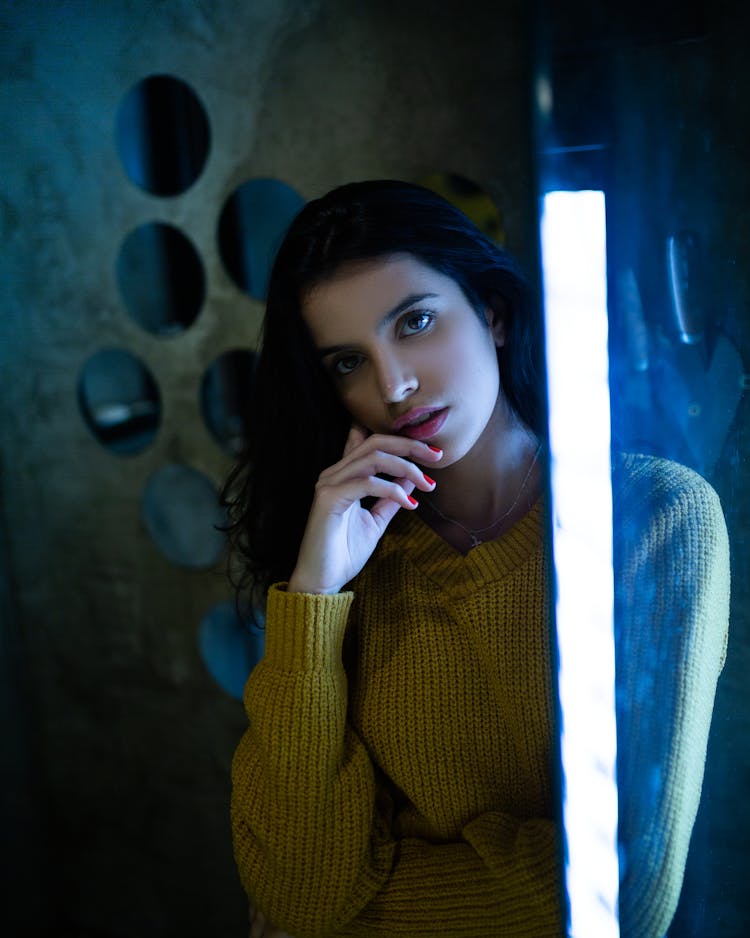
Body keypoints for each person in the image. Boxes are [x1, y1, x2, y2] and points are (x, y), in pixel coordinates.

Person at [223, 180, 730, 937]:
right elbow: (298, 884)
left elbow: (622, 897)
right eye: (346, 363)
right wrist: (314, 594)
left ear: (491, 313)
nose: (392, 385)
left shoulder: (654, 518)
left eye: (416, 322)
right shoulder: (346, 558)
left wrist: (356, 915)